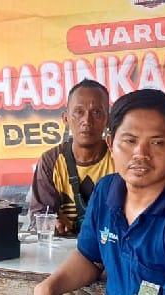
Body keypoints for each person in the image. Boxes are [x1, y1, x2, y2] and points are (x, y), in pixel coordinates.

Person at [34, 89, 165, 295]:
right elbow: (89, 258)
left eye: (157, 142)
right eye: (130, 141)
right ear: (111, 143)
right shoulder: (105, 192)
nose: (140, 154)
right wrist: (48, 288)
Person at [28, 79, 114, 235]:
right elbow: (39, 215)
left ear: (107, 119)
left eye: (96, 112)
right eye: (79, 112)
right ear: (66, 118)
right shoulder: (51, 161)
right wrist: (51, 222)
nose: (87, 121)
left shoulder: (119, 158)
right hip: (64, 247)